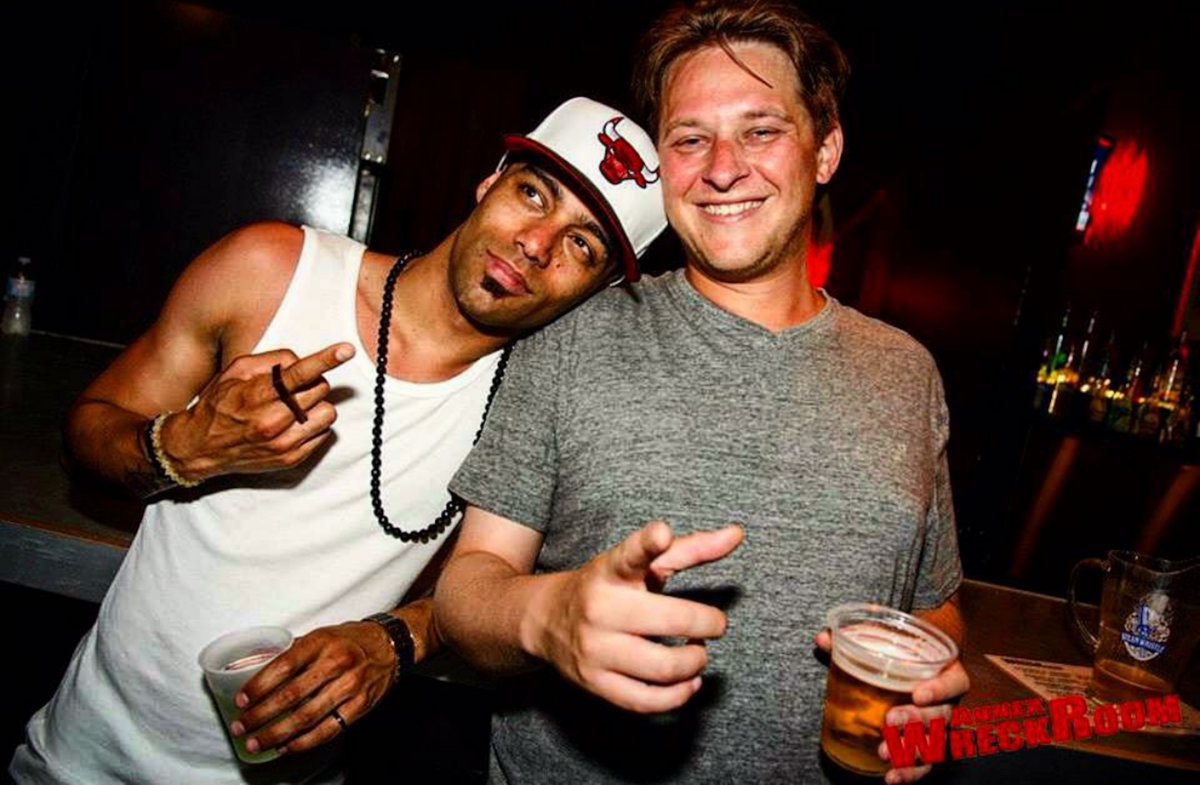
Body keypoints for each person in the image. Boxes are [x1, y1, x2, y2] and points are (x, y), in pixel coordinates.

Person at [10, 96, 667, 785]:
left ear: (598, 289)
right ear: (490, 181)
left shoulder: (532, 407)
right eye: (532, 194)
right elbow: (87, 432)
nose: (536, 243)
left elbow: (503, 590)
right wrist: (179, 447)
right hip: (79, 760)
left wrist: (396, 639)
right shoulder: (271, 271)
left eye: (582, 244)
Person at [434, 2, 969, 783]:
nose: (722, 168)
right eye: (689, 139)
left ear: (825, 150)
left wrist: (930, 674)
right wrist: (549, 617)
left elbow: (933, 603)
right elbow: (463, 594)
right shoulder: (573, 335)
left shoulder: (907, 371)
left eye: (761, 131)